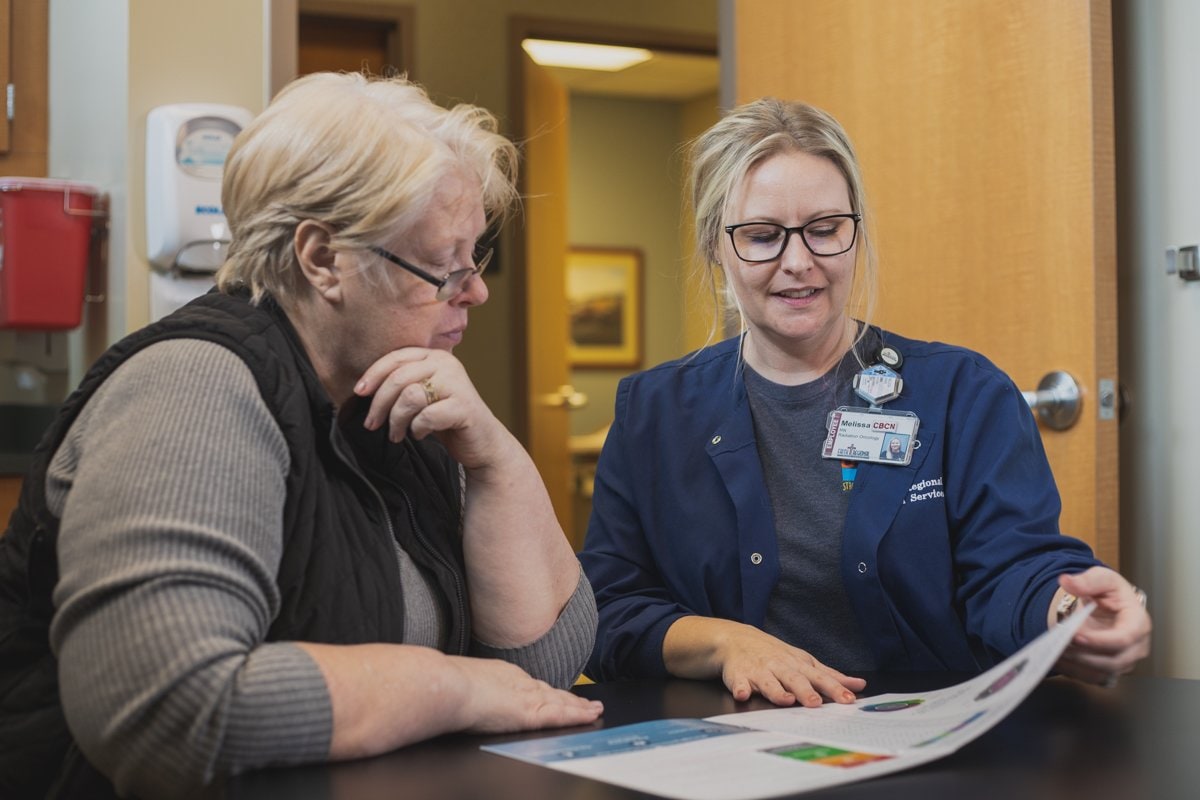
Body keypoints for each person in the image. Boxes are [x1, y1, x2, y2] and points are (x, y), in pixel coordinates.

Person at [0, 72, 601, 799]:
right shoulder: (192, 388)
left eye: (475, 260)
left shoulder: (392, 392)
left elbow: (539, 675)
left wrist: (496, 459)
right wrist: (449, 686)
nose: (473, 291)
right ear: (322, 260)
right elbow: (170, 713)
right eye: (443, 267)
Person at [578, 97, 1151, 709]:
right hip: (731, 747)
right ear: (716, 248)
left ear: (856, 233)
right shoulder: (654, 413)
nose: (798, 262)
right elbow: (610, 610)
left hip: (926, 741)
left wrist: (1068, 609)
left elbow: (1013, 567)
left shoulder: (965, 393)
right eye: (762, 236)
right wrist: (725, 643)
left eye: (825, 229)